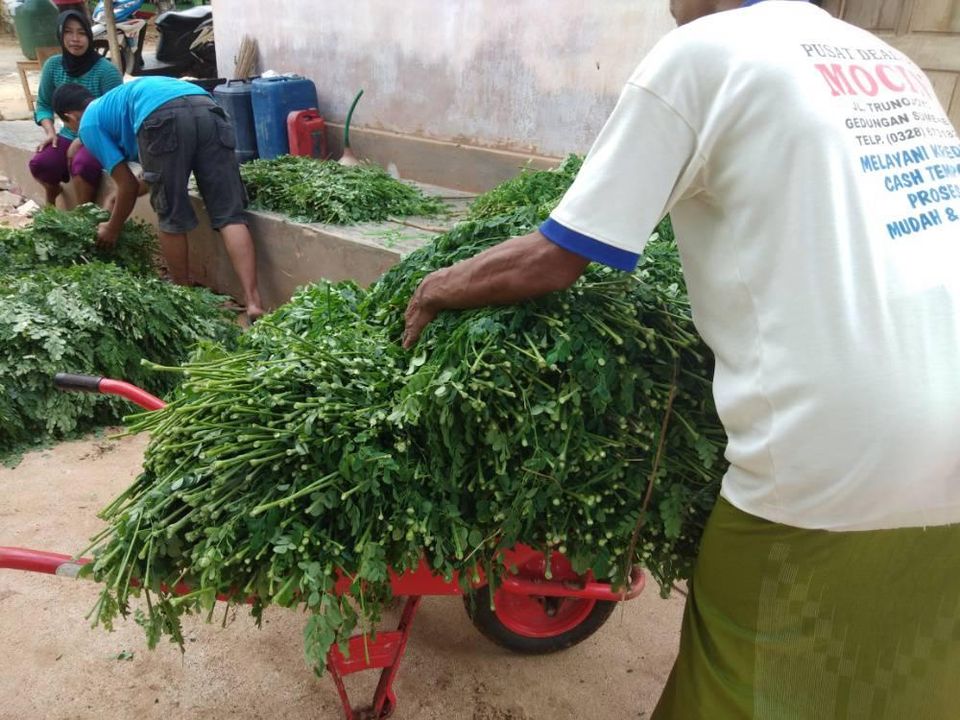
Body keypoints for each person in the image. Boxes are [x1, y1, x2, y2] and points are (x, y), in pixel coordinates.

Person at [403, 1, 960, 718]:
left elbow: (555, 256)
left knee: (740, 680)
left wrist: (438, 284)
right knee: (901, 672)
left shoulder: (702, 52)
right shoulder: (883, 58)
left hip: (846, 443)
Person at [51, 77, 265, 321]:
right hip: (207, 106)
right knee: (230, 215)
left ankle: (183, 300)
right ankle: (253, 301)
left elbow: (128, 185)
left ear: (70, 117)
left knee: (170, 215)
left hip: (163, 116)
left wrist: (112, 227)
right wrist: (117, 196)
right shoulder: (115, 103)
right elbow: (152, 177)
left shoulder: (88, 125)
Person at [29, 9, 123, 207]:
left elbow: (117, 115)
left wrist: (82, 141)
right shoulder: (53, 66)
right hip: (68, 134)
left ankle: (83, 215)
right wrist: (50, 131)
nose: (75, 39)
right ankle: (52, 194)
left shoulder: (106, 71)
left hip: (101, 135)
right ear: (60, 36)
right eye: (68, 32)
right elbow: (44, 104)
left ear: (90, 36)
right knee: (41, 163)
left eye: (81, 32)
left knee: (83, 164)